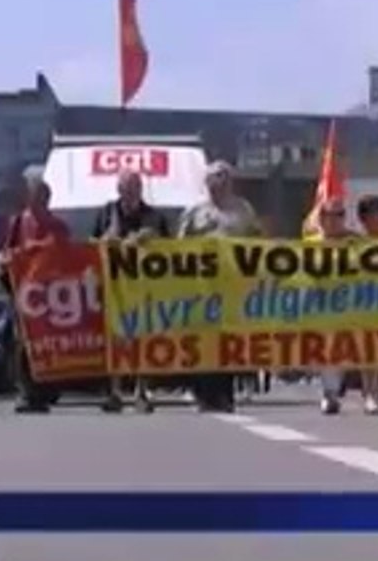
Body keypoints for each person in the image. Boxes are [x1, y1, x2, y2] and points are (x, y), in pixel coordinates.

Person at [177, 161, 262, 413]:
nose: (219, 184)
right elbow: (178, 246)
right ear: (207, 183)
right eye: (214, 179)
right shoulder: (194, 211)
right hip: (202, 286)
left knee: (227, 341)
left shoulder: (243, 210)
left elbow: (256, 240)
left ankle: (225, 394)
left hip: (232, 285)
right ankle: (203, 394)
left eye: (224, 179)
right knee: (203, 340)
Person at [92, 171, 170, 414]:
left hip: (144, 289)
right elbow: (92, 243)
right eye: (125, 187)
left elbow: (171, 250)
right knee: (115, 340)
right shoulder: (107, 213)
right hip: (114, 289)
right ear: (118, 189)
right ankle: (114, 391)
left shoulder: (154, 216)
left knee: (143, 339)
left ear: (141, 189)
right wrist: (109, 238)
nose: (129, 192)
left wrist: (151, 240)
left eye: (134, 187)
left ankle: (142, 391)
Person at [0, 178, 71, 414]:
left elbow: (64, 256)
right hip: (24, 292)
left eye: (43, 197)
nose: (39, 201)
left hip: (51, 295)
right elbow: (8, 251)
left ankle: (48, 389)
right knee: (24, 343)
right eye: (35, 196)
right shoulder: (18, 222)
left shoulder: (58, 226)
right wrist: (8, 259)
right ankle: (27, 391)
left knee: (48, 344)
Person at [306, 198, 362, 415]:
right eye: (331, 215)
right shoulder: (310, 243)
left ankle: (368, 393)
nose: (336, 220)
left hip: (354, 303)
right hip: (322, 305)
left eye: (340, 215)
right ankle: (330, 394)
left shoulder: (356, 242)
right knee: (328, 350)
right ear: (322, 218)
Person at [355, 194, 378, 414]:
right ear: (363, 218)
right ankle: (370, 392)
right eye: (372, 214)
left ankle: (376, 388)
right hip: (363, 301)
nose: (377, 218)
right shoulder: (355, 243)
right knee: (367, 350)